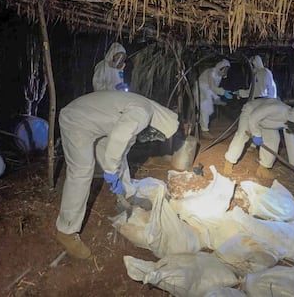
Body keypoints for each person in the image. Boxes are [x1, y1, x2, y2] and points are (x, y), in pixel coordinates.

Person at [55, 91, 179, 259]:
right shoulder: (142, 113)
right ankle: (66, 230)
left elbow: (122, 149)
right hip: (76, 120)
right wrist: (111, 171)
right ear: (159, 123)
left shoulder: (146, 111)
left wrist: (115, 170)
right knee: (81, 171)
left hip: (98, 123)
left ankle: (127, 197)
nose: (152, 138)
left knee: (117, 157)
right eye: (156, 134)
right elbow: (119, 138)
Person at [223, 98, 294, 176]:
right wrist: (257, 134)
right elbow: (254, 117)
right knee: (242, 135)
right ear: (292, 121)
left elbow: (292, 144)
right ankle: (229, 161)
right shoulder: (277, 108)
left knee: (273, 140)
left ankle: (263, 168)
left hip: (267, 123)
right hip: (251, 113)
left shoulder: (291, 122)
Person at [195, 59, 233, 139]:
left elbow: (213, 88)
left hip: (207, 91)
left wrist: (217, 98)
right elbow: (213, 87)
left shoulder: (219, 76)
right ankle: (204, 130)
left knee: (210, 111)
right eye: (224, 69)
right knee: (205, 109)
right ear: (220, 67)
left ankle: (198, 122)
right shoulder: (211, 72)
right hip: (200, 91)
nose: (225, 71)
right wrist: (223, 92)